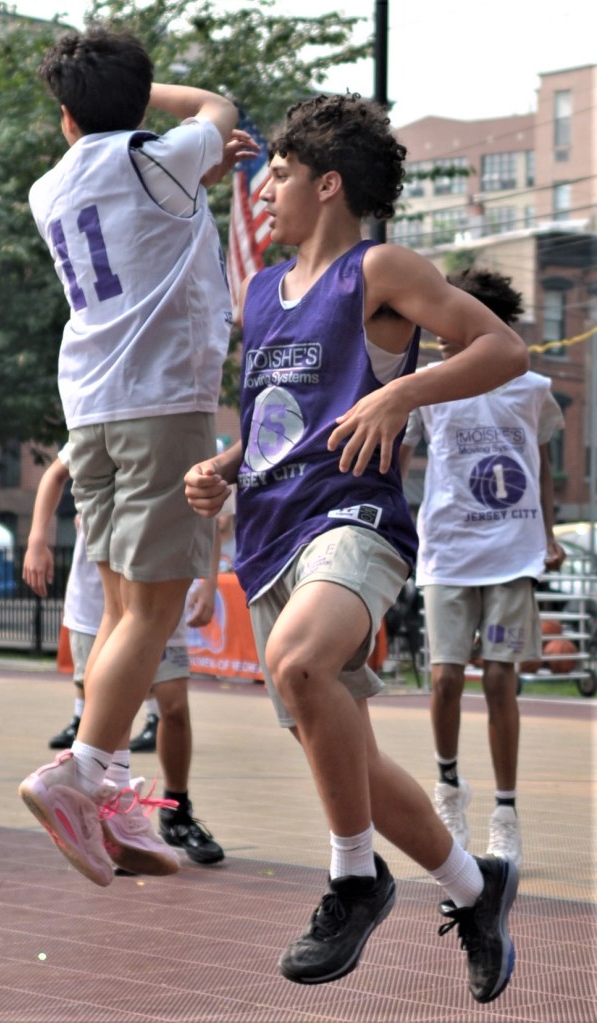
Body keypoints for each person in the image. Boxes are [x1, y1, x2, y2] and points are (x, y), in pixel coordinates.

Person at [184, 93, 529, 1000]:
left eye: (280, 176)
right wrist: (224, 466)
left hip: (353, 520)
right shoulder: (262, 294)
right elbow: (278, 422)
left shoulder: (378, 269)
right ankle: (477, 888)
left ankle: (353, 878)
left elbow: (504, 349)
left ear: (328, 183)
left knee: (301, 663)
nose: (264, 194)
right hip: (269, 535)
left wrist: (401, 392)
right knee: (354, 763)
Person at [18, 27, 240, 888]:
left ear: (66, 117)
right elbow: (219, 108)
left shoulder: (48, 187)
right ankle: (76, 775)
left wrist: (170, 144)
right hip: (163, 402)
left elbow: (146, 206)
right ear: (137, 101)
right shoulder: (159, 156)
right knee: (154, 612)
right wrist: (155, 98)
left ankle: (110, 793)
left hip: (92, 411)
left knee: (119, 608)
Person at [400, 268, 566, 868]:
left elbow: (541, 467)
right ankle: (449, 786)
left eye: (449, 319)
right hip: (447, 553)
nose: (439, 331)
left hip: (511, 553)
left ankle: (506, 813)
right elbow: (400, 462)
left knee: (499, 680)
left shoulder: (531, 387)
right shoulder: (426, 386)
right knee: (445, 679)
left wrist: (548, 533)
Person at [23, 446, 224, 865]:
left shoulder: (174, 435)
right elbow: (55, 474)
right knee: (113, 708)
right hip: (104, 602)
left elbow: (207, 507)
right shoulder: (101, 426)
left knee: (172, 706)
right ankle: (105, 806)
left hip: (157, 591)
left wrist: (208, 583)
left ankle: (164, 810)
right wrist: (38, 537)